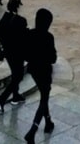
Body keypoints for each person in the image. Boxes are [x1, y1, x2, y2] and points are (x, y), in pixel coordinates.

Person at [23, 8, 57, 143]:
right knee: (44, 99)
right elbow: (53, 58)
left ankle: (48, 122)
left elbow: (25, 53)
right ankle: (32, 131)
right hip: (44, 71)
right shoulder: (48, 37)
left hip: (33, 70)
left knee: (44, 95)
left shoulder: (30, 34)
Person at [0, 0, 28, 112]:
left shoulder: (3, 19)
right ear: (17, 8)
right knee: (18, 76)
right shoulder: (20, 21)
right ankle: (2, 98)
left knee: (15, 74)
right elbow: (24, 37)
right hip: (17, 53)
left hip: (8, 53)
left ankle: (15, 96)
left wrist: (6, 44)